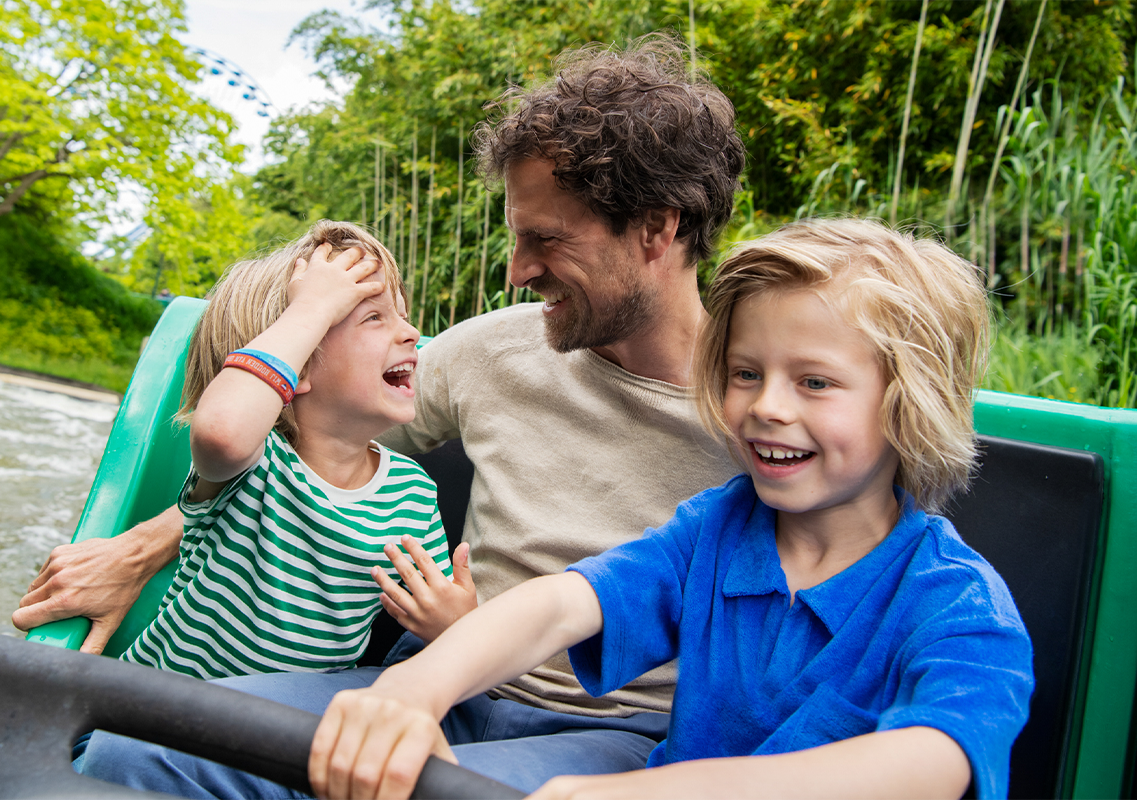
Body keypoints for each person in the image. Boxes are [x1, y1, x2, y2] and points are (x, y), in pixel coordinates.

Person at [21, 34, 748, 795]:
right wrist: (140, 550)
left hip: (604, 731)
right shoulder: (492, 350)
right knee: (136, 751)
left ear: (657, 228)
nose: (517, 271)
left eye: (547, 239)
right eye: (516, 236)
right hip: (427, 677)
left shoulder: (764, 421)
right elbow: (303, 452)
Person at [307, 218, 1035, 800]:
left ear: (910, 402)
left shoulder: (957, 606)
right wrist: (413, 688)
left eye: (814, 382)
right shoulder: (717, 531)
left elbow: (935, 759)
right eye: (746, 373)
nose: (766, 406)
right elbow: (562, 605)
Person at [120, 220, 468, 679]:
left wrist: (454, 623)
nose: (411, 332)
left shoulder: (412, 493)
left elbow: (438, 612)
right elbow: (222, 431)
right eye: (374, 318)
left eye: (402, 315)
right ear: (296, 365)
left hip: (290, 718)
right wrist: (312, 308)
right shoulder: (256, 463)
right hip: (156, 705)